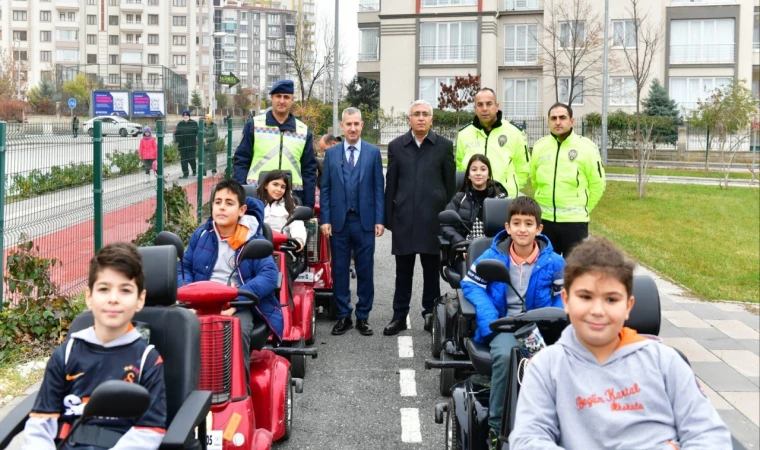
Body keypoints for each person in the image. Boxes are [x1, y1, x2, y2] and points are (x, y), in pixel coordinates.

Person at [509, 237, 731, 449]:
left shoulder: (665, 362)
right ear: (566, 301)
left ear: (628, 306)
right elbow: (529, 439)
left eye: (611, 299)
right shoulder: (546, 367)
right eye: (585, 297)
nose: (598, 310)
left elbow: (709, 434)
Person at [22, 242, 167, 450]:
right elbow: (40, 424)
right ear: (89, 297)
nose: (113, 299)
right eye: (104, 289)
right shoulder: (66, 355)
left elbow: (149, 431)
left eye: (125, 290)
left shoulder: (148, 361)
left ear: (139, 299)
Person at [460, 196, 564, 443]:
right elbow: (470, 285)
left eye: (528, 224)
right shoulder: (492, 255)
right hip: (504, 325)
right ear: (507, 227)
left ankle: (548, 428)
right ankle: (498, 429)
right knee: (509, 358)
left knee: (549, 366)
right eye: (516, 223)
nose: (522, 229)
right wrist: (490, 319)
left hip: (538, 328)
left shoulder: (554, 261)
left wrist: (557, 319)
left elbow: (567, 295)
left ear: (539, 229)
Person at [180, 179, 281, 385]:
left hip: (238, 303)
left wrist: (237, 297)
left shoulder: (253, 240)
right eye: (217, 202)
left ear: (242, 209)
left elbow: (269, 275)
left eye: (229, 202)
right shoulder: (200, 235)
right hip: (199, 300)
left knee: (235, 333)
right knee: (174, 330)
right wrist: (187, 296)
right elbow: (184, 268)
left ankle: (239, 393)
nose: (222, 207)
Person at [384, 99, 456, 336]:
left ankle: (430, 314)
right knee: (403, 273)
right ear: (409, 120)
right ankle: (399, 316)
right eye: (416, 114)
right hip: (404, 220)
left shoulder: (444, 146)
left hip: (433, 221)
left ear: (432, 119)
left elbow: (450, 188)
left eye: (425, 114)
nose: (421, 118)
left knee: (431, 273)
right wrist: (389, 219)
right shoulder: (396, 147)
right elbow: (390, 186)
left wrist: (448, 220)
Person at [320, 107, 385, 336]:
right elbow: (326, 188)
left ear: (362, 125)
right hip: (338, 221)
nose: (353, 128)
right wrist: (325, 218)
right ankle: (343, 316)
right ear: (342, 126)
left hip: (364, 221)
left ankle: (363, 316)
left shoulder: (373, 153)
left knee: (365, 269)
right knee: (339, 270)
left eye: (356, 124)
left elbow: (379, 188)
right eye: (348, 124)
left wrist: (380, 219)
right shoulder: (331, 154)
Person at [531, 103, 606, 256]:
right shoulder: (539, 147)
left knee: (574, 271)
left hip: (574, 223)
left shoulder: (586, 148)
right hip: (545, 222)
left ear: (572, 121)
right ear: (548, 122)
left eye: (562, 118)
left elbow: (597, 184)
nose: (558, 122)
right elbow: (535, 179)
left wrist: (584, 207)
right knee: (544, 270)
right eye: (553, 118)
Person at [232, 80, 318, 210]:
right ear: (271, 97)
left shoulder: (303, 131)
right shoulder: (254, 125)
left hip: (292, 197)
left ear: (292, 99)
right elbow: (241, 161)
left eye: (286, 97)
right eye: (278, 96)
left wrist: (308, 205)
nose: (282, 101)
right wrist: (240, 195)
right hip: (257, 195)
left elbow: (309, 170)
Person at [456, 88, 529, 197]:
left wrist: (511, 189)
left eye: (489, 104)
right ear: (475, 108)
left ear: (497, 106)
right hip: (473, 197)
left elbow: (523, 168)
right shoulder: (464, 134)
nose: (484, 108)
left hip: (505, 198)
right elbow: (461, 167)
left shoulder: (514, 132)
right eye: (480, 105)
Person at [441, 153, 508, 250]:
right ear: (468, 175)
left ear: (489, 174)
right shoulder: (459, 198)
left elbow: (511, 228)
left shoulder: (500, 199)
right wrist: (461, 244)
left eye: (483, 169)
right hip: (466, 249)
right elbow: (446, 225)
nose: (478, 173)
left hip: (496, 250)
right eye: (474, 169)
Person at [257, 170, 307, 251]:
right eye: (275, 185)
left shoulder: (289, 205)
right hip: (256, 247)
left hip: (282, 248)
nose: (279, 189)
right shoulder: (254, 203)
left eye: (283, 187)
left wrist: (299, 240)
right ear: (266, 185)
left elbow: (297, 225)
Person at [176, 110, 199, 179]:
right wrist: (178, 140)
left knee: (191, 159)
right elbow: (177, 134)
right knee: (183, 161)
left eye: (186, 115)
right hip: (182, 146)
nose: (185, 116)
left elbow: (197, 133)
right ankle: (185, 174)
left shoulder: (194, 123)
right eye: (184, 115)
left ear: (189, 116)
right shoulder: (180, 124)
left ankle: (194, 170)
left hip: (191, 145)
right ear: (183, 116)